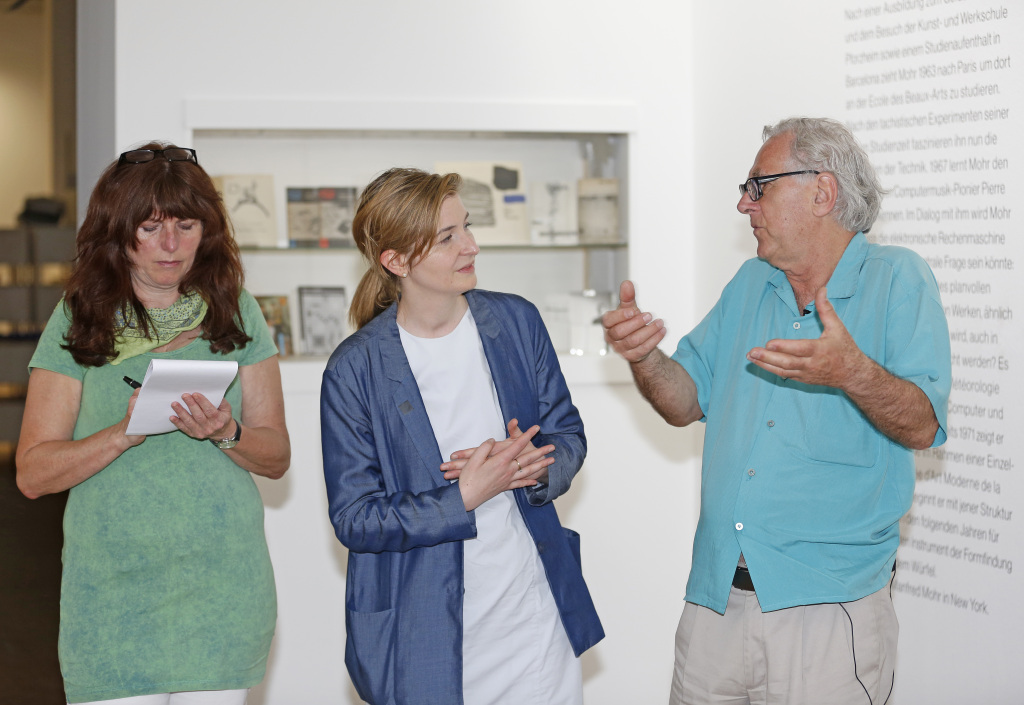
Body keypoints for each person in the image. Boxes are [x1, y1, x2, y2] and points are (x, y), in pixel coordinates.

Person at [603, 118, 951, 705]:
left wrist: (851, 371)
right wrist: (644, 357)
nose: (744, 204)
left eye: (758, 186)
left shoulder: (898, 279)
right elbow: (685, 400)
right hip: (716, 598)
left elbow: (922, 425)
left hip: (827, 609)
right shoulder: (750, 282)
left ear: (822, 192)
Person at [16, 143, 290, 705]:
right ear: (117, 233)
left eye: (186, 226)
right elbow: (32, 474)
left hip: (220, 583)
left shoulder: (237, 310)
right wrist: (125, 431)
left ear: (207, 231)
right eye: (150, 227)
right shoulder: (78, 318)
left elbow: (277, 454)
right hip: (113, 591)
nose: (171, 245)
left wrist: (226, 433)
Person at [320, 167, 603, 705]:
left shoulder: (516, 321)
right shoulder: (355, 369)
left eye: (466, 228)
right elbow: (355, 517)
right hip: (424, 627)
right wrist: (466, 495)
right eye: (448, 238)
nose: (471, 246)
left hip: (532, 612)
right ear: (396, 261)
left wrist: (530, 466)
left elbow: (567, 434)